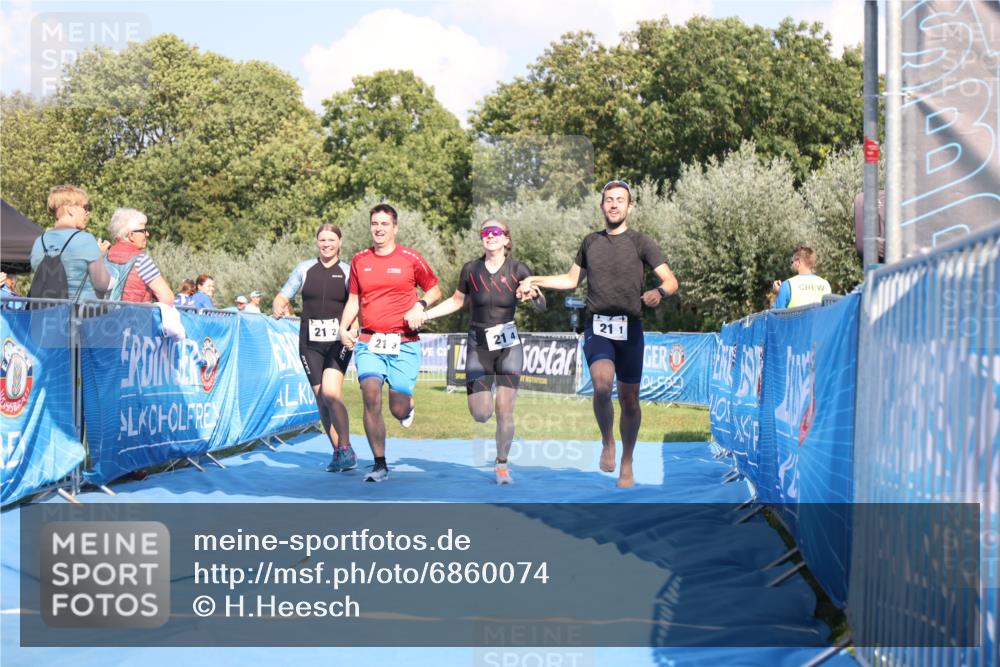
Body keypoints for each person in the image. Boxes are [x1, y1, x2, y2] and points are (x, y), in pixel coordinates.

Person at [517, 179, 678, 488]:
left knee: (630, 399)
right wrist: (533, 279)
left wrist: (659, 292)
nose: (614, 204)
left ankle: (627, 462)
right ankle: (608, 441)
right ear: (602, 206)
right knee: (602, 385)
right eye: (609, 200)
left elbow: (671, 280)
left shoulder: (642, 242)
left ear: (630, 206)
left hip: (630, 329)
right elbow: (569, 280)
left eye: (620, 200)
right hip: (598, 327)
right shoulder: (590, 242)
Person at [422, 218, 545, 484]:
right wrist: (426, 314)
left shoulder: (518, 268)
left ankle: (502, 464)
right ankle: (485, 401)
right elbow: (456, 301)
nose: (490, 236)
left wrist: (533, 293)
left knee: (504, 410)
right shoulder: (471, 270)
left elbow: (540, 301)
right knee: (481, 413)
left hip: (508, 347)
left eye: (495, 232)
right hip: (478, 346)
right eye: (485, 233)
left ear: (506, 239)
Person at [340, 203, 441, 483]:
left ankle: (407, 404)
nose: (379, 229)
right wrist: (342, 327)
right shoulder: (360, 260)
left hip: (404, 343)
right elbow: (353, 300)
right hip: (369, 341)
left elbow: (434, 289)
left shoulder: (410, 258)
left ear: (394, 227)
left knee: (398, 408)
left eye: (385, 224)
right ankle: (379, 464)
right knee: (370, 394)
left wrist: (420, 305)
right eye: (375, 223)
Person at [273, 223, 358, 473]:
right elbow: (284, 294)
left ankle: (346, 448)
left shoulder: (347, 271)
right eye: (322, 240)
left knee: (332, 393)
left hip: (337, 342)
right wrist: (278, 303)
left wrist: (353, 330)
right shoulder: (304, 269)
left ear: (340, 242)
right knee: (321, 400)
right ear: (317, 242)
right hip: (309, 343)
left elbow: (357, 305)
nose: (327, 244)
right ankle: (338, 451)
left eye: (331, 240)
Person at [30, 185, 111, 301]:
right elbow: (103, 284)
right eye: (86, 207)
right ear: (71, 209)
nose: (87, 213)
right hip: (81, 315)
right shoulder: (85, 240)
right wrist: (102, 259)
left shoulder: (39, 242)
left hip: (45, 315)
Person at [105, 208, 174, 303]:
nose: (147, 234)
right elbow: (167, 297)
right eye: (143, 231)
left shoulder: (104, 257)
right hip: (134, 316)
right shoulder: (141, 261)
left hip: (106, 316)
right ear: (131, 235)